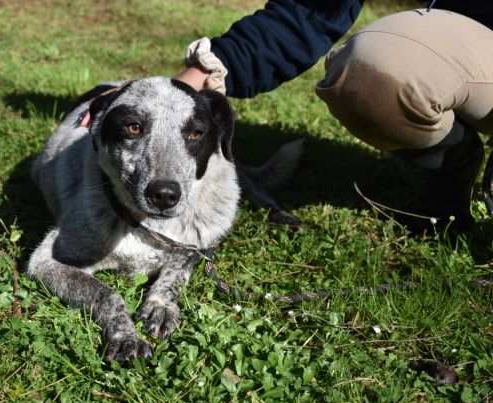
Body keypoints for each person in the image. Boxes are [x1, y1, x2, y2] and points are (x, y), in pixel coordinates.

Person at [176, 0, 493, 232]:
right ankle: (449, 173)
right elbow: (308, 11)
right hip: (473, 33)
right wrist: (184, 91)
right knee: (379, 67)